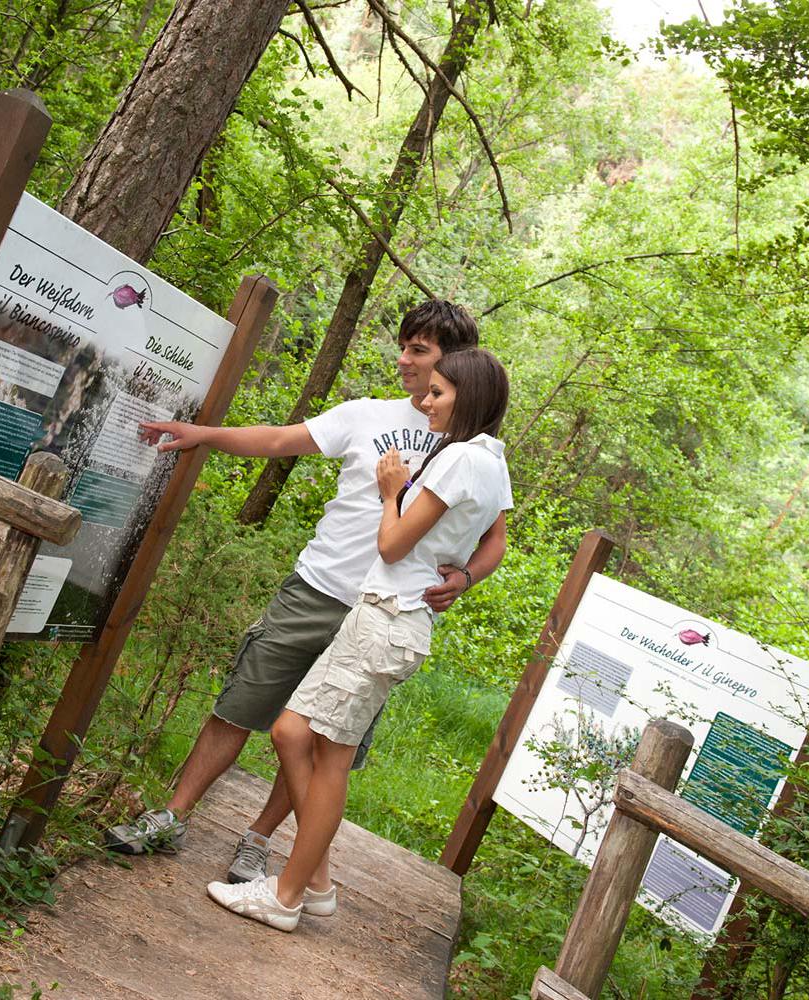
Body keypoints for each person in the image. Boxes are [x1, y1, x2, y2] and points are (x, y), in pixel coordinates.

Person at [102, 301, 509, 884]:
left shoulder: (472, 448)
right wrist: (204, 435)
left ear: (456, 363)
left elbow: (495, 539)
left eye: (418, 351)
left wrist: (465, 579)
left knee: (322, 740)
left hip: (384, 613)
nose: (403, 360)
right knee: (240, 704)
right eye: (405, 347)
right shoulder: (366, 416)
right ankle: (171, 815)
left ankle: (258, 841)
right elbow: (277, 441)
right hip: (318, 589)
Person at [205, 348, 512, 931]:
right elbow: (481, 539)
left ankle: (288, 897)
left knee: (330, 758)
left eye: (439, 393)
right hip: (382, 617)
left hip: (388, 618)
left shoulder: (458, 460)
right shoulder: (493, 461)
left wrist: (391, 490)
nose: (425, 401)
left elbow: (392, 545)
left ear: (467, 399)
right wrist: (462, 571)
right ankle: (313, 881)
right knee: (292, 731)